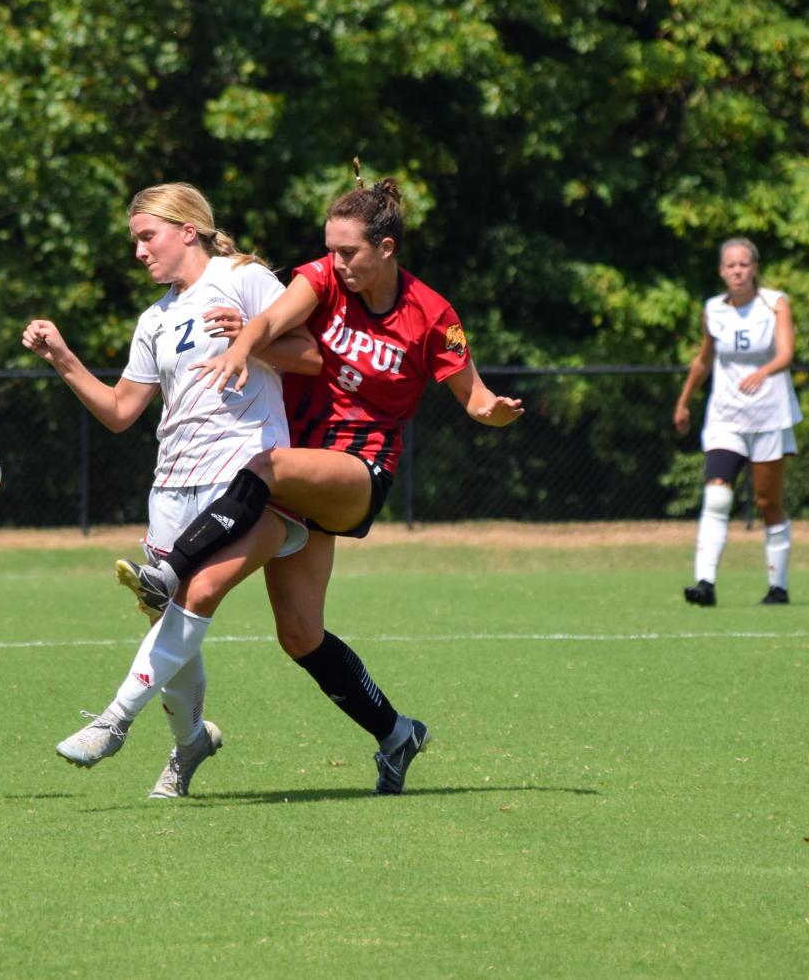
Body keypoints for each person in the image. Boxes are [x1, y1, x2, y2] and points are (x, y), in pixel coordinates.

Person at [112, 170, 525, 795]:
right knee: (299, 634)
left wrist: (492, 412)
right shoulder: (321, 277)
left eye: (348, 250)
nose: (334, 260)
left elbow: (475, 397)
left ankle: (171, 577)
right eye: (330, 248)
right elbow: (271, 322)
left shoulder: (432, 314)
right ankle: (396, 733)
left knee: (256, 480)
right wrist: (241, 346)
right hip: (298, 462)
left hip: (359, 467)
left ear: (386, 248)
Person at [23, 181, 320, 799]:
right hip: (171, 487)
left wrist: (252, 334)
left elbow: (314, 358)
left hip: (242, 475)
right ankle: (189, 745)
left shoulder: (243, 276)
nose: (138, 251)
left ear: (188, 229)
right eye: (135, 240)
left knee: (196, 597)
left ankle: (114, 720)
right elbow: (120, 411)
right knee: (174, 617)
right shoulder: (154, 318)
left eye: (146, 236)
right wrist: (63, 358)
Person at [673, 237, 802, 607]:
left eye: (744, 264)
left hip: (769, 416)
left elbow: (786, 352)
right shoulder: (713, 309)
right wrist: (683, 402)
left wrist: (765, 371)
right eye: (730, 265)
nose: (737, 271)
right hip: (725, 417)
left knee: (767, 503)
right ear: (721, 271)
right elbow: (703, 360)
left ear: (755, 267)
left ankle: (777, 587)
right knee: (716, 495)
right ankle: (705, 584)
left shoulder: (774, 303)